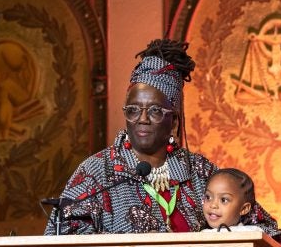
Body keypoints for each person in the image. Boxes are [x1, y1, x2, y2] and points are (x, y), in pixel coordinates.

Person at [45, 38, 214, 235]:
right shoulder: (96, 172)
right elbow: (61, 243)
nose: (143, 119)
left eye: (155, 110)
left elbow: (254, 225)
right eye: (133, 110)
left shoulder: (200, 172)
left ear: (174, 121)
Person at [199, 167, 281, 247]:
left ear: (244, 209)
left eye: (224, 200)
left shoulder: (253, 236)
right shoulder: (198, 236)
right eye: (208, 197)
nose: (213, 205)